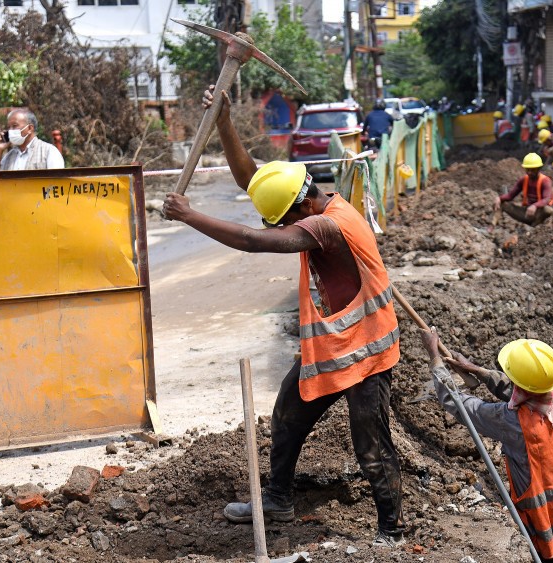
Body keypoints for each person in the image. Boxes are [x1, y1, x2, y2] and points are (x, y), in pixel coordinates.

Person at [163, 85, 405, 548]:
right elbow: (252, 180)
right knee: (288, 414)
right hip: (335, 347)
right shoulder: (312, 201)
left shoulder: (328, 225)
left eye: (282, 220)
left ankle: (392, 530)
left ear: (299, 207)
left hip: (366, 351)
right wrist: (224, 121)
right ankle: (277, 498)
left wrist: (192, 216)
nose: (280, 228)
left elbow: (255, 241)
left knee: (371, 447)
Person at [419, 329, 553, 563]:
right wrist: (480, 372)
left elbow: (461, 405)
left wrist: (435, 358)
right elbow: (527, 390)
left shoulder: (514, 422)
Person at [0, 109, 64, 171]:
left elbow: (57, 182)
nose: (10, 130)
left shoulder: (48, 151)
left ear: (30, 129)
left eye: (14, 126)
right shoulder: (9, 156)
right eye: (9, 127)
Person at [493, 153, 553, 226]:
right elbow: (510, 196)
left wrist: (534, 206)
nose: (530, 173)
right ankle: (491, 227)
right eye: (528, 170)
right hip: (526, 212)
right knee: (502, 204)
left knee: (548, 210)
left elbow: (546, 199)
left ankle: (535, 226)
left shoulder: (545, 181)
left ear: (539, 168)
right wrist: (499, 198)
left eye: (533, 170)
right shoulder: (524, 180)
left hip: (539, 213)